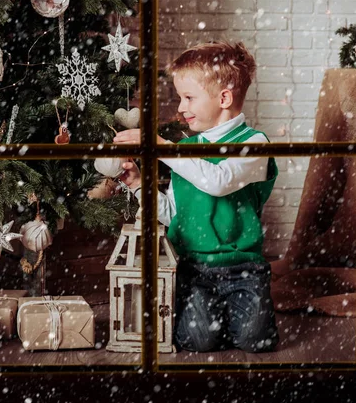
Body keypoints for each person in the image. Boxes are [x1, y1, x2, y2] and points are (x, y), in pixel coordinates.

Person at [113, 41, 279, 353]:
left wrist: (162, 147)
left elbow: (218, 181)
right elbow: (172, 213)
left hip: (244, 269)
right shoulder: (183, 152)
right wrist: (138, 183)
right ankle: (217, 318)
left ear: (224, 98)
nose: (180, 107)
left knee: (257, 341)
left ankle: (235, 319)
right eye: (181, 98)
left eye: (189, 98)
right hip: (194, 269)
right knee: (198, 341)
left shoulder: (255, 143)